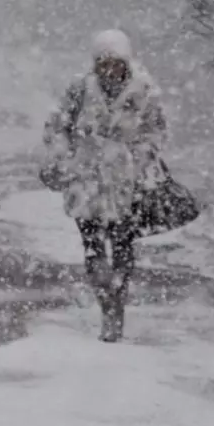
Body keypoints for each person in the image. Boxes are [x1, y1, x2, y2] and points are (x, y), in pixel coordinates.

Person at [40, 29, 168, 342]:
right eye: (103, 62)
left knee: (123, 246)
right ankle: (105, 303)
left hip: (126, 182)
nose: (109, 69)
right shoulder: (79, 89)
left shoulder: (145, 91)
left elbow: (156, 132)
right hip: (85, 179)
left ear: (126, 61)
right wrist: (63, 158)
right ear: (95, 63)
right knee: (93, 246)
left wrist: (137, 158)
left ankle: (117, 307)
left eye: (115, 62)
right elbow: (57, 127)